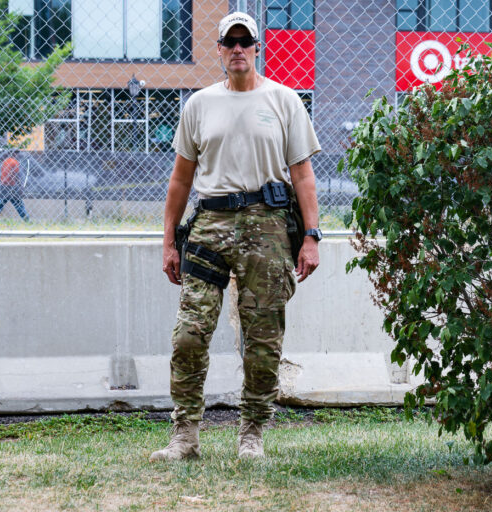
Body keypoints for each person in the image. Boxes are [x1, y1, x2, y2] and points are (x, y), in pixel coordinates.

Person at [150, 12, 322, 462]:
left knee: (263, 338)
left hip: (268, 226)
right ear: (221, 49)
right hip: (210, 225)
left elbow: (303, 175)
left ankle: (252, 435)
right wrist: (168, 242)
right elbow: (180, 180)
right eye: (231, 41)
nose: (238, 49)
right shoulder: (199, 105)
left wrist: (311, 237)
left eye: (246, 41)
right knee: (190, 334)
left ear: (257, 48)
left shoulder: (284, 101)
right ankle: (185, 436)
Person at [0, 150, 29, 221]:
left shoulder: (5, 161)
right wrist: (20, 185)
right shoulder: (15, 162)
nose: (18, 155)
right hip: (12, 186)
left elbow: (3, 173)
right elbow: (14, 174)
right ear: (14, 154)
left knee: (0, 204)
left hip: (4, 185)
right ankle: (26, 219)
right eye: (17, 154)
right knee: (19, 204)